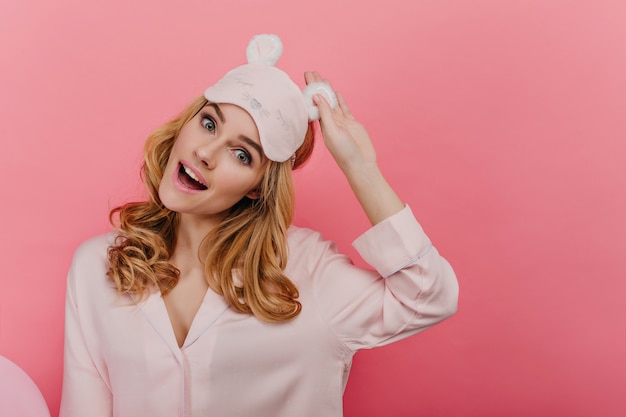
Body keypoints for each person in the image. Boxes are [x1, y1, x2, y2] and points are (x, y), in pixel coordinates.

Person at [60, 34, 459, 417]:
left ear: (257, 188)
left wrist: (360, 168)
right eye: (209, 124)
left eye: (241, 154)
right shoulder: (97, 267)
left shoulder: (309, 272)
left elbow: (428, 296)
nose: (205, 152)